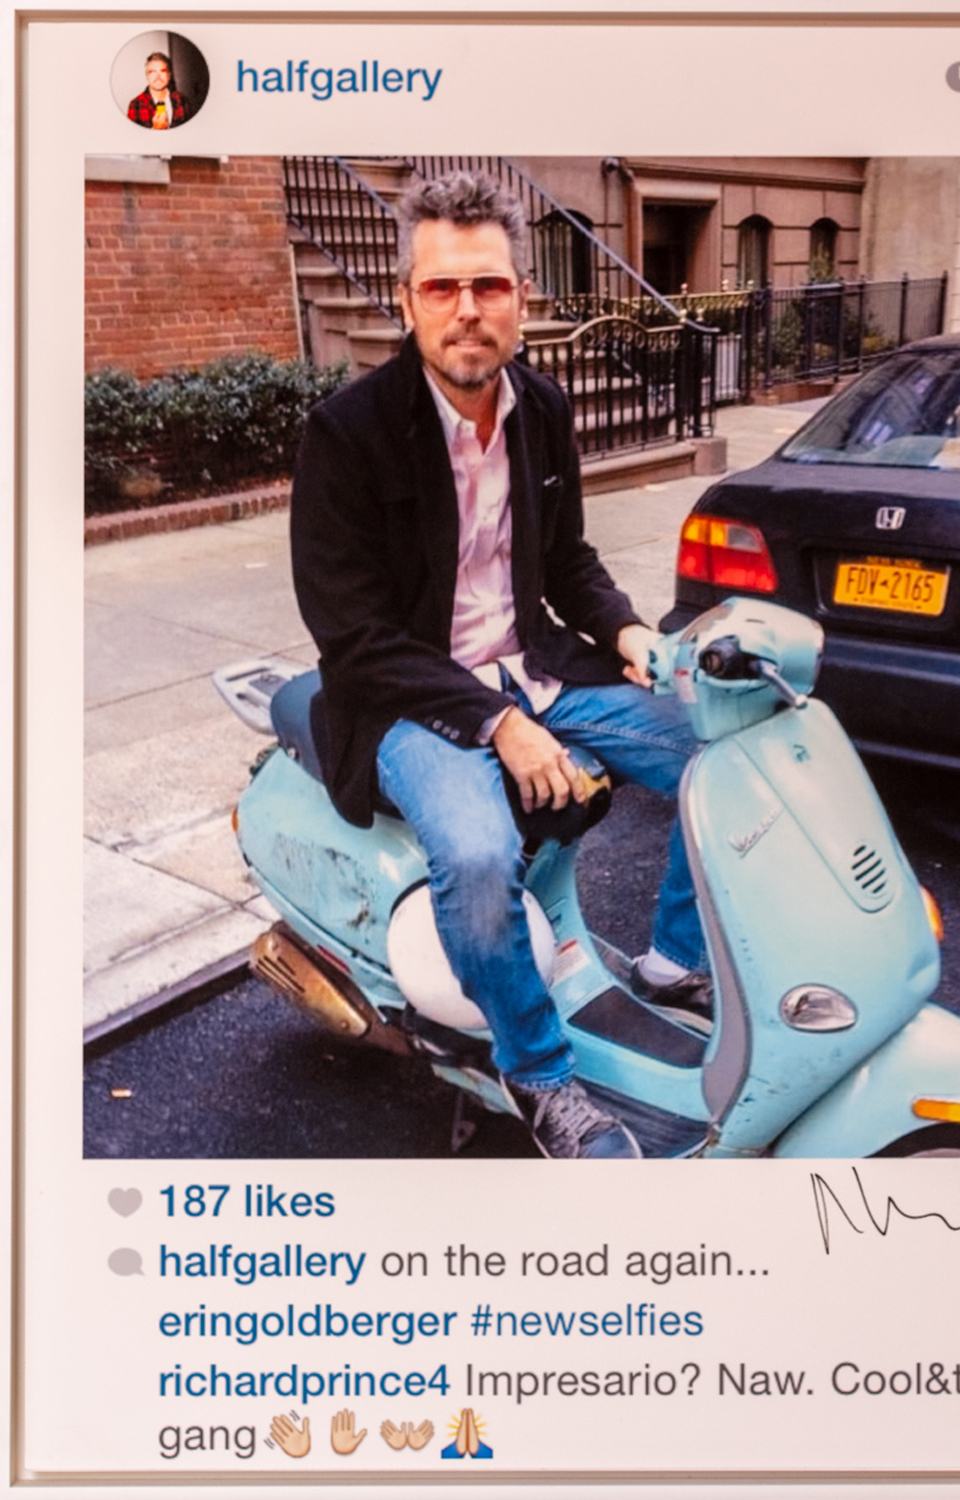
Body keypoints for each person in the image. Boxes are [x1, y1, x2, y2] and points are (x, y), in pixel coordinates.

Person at [290, 171, 709, 1160]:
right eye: (441, 287)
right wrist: (495, 724)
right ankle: (539, 1076)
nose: (467, 309)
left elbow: (566, 562)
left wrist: (627, 633)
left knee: (721, 753)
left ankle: (671, 961)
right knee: (478, 857)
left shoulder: (544, 409)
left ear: (522, 296)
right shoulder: (346, 435)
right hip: (407, 701)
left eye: (487, 285)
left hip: (538, 669)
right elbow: (353, 635)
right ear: (408, 301)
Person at [126, 52, 190, 129]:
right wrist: (156, 129)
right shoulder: (135, 104)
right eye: (152, 72)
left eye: (163, 71)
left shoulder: (182, 100)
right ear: (147, 76)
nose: (158, 76)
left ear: (169, 75)